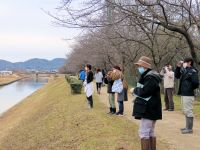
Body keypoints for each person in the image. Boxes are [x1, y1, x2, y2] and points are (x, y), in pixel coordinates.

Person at [131, 56, 162, 150]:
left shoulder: (150, 77)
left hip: (148, 109)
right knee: (150, 132)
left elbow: (146, 91)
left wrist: (134, 90)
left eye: (139, 66)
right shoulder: (150, 75)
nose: (138, 68)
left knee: (144, 132)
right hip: (152, 108)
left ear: (144, 66)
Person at [175, 57, 199, 134]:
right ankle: (187, 127)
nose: (184, 63)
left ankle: (189, 128)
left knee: (188, 110)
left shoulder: (193, 71)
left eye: (185, 62)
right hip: (183, 93)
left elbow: (196, 83)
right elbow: (177, 76)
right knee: (185, 110)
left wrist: (189, 88)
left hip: (188, 94)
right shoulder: (185, 70)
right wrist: (178, 67)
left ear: (189, 62)